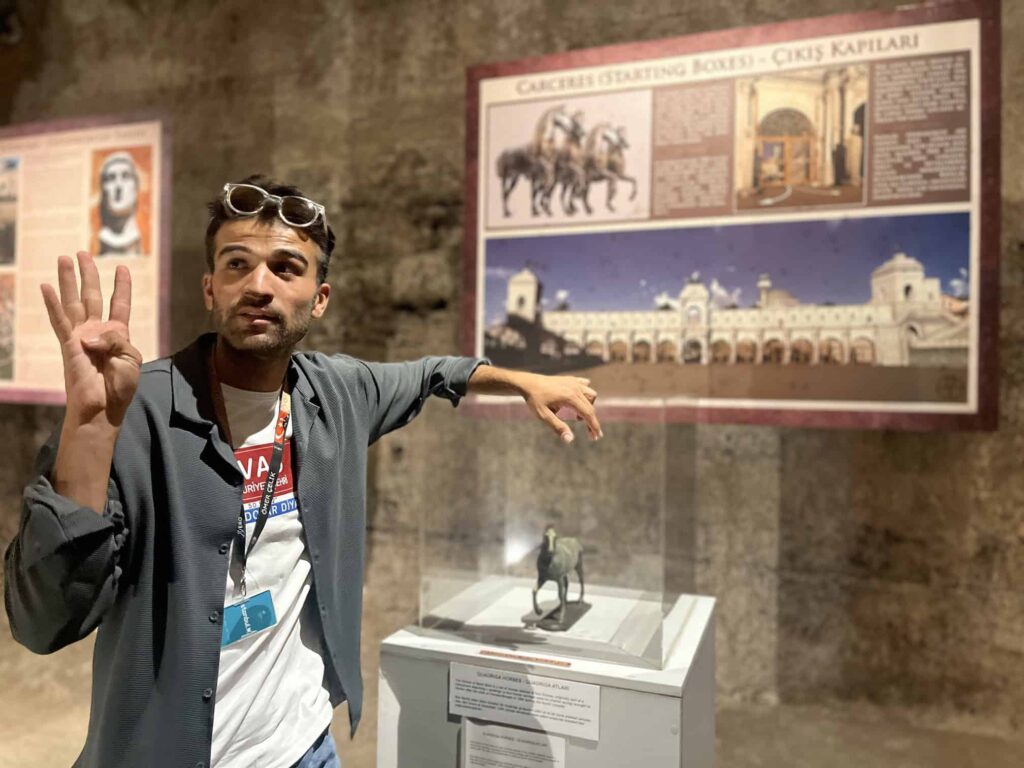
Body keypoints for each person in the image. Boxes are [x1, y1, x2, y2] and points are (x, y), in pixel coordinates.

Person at [4, 176, 601, 768]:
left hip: (306, 746)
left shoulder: (337, 392)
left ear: (319, 298)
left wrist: (519, 380)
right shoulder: (135, 406)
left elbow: (432, 374)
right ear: (210, 288)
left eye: (286, 268)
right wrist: (91, 427)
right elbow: (43, 620)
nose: (258, 285)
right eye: (237, 264)